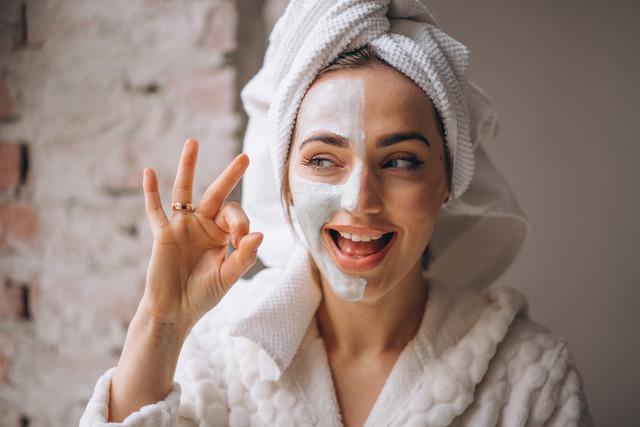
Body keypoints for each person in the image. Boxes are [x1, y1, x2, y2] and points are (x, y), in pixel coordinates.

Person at [80, 1, 593, 426]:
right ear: (285, 182)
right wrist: (161, 323)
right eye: (323, 159)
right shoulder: (216, 357)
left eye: (400, 161)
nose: (358, 200)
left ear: (447, 184)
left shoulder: (530, 376)